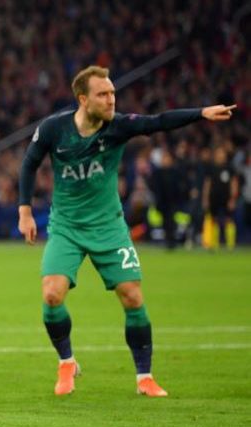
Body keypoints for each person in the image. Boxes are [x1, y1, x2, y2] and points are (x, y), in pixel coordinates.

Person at [18, 65, 235, 397]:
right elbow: (29, 163)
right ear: (83, 99)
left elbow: (158, 121)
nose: (111, 100)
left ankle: (144, 377)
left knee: (132, 296)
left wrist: (201, 113)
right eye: (103, 94)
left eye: (112, 93)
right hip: (67, 226)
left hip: (109, 226)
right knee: (51, 295)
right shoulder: (53, 128)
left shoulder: (118, 126)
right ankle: (66, 362)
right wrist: (25, 212)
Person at [202, 146, 239, 250]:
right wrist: (205, 198)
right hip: (213, 198)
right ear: (215, 155)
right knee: (213, 220)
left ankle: (230, 244)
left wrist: (233, 198)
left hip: (226, 198)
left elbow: (234, 183)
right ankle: (213, 243)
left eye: (222, 153)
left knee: (229, 219)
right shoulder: (211, 168)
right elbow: (207, 184)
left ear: (225, 155)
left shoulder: (230, 168)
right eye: (218, 153)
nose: (220, 155)